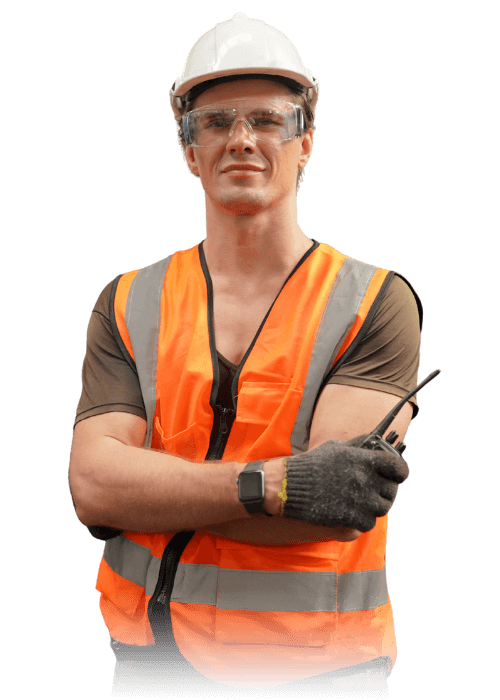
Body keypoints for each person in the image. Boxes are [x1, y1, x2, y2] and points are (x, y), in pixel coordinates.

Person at [69, 13, 423, 694]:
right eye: (215, 122)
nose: (241, 139)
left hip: (322, 669)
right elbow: (93, 488)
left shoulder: (374, 302)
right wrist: (277, 485)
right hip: (150, 665)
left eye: (268, 120)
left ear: (306, 141)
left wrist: (150, 493)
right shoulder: (129, 300)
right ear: (188, 148)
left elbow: (334, 507)